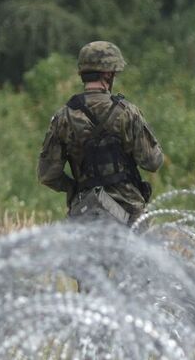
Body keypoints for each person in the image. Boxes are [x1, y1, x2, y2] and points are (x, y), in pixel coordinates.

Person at [37, 41, 164, 225]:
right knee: (146, 254)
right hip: (129, 215)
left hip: (84, 214)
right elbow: (153, 162)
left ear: (83, 73)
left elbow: (48, 175)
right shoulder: (127, 113)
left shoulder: (63, 117)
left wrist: (75, 187)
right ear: (108, 74)